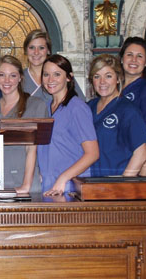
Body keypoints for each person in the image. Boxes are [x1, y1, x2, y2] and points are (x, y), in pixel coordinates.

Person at [37, 54, 99, 196]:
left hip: (69, 188)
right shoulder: (45, 108)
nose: (50, 80)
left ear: (69, 77)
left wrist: (63, 178)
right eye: (46, 74)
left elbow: (93, 153)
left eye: (57, 74)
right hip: (48, 187)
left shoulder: (77, 108)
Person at [0, 55, 48, 194]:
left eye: (12, 75)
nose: (7, 80)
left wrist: (26, 185)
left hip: (27, 183)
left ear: (20, 77)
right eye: (2, 75)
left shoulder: (35, 105)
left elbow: (32, 148)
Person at [87, 54, 146, 177]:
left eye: (108, 76)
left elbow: (141, 153)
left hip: (115, 185)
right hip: (91, 183)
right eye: (97, 76)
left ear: (118, 78)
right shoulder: (88, 107)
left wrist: (123, 183)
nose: (102, 82)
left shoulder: (127, 109)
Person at [119, 37, 146, 176]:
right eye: (129, 55)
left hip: (140, 170)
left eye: (139, 56)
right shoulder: (114, 90)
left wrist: (143, 175)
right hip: (123, 164)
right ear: (121, 59)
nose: (134, 60)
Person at [22, 30, 86, 102]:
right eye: (32, 47)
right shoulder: (18, 78)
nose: (36, 52)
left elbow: (80, 103)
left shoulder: (61, 75)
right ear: (25, 50)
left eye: (41, 48)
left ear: (48, 50)